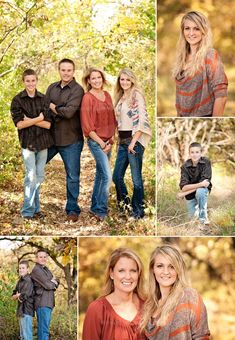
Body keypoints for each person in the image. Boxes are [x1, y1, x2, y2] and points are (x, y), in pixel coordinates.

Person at [141, 244, 210, 339]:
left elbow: (202, 336)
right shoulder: (149, 305)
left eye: (171, 266)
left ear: (178, 270)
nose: (166, 272)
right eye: (160, 266)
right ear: (153, 269)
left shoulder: (189, 296)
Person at [10, 69, 53, 219]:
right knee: (30, 175)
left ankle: (36, 209)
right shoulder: (17, 100)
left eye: (33, 80)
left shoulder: (43, 99)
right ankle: (27, 211)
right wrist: (38, 118)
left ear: (36, 81)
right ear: (23, 82)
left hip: (43, 143)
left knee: (39, 176)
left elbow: (48, 125)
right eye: (27, 81)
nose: (30, 83)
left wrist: (29, 120)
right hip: (27, 144)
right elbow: (20, 124)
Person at [45, 58, 84, 222]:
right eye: (63, 70)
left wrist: (54, 107)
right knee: (34, 168)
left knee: (73, 176)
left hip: (71, 139)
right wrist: (56, 110)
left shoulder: (78, 90)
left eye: (69, 70)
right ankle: (31, 207)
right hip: (50, 138)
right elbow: (43, 107)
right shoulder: (51, 87)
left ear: (73, 71)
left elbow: (69, 113)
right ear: (59, 70)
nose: (66, 73)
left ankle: (72, 209)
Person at [112, 68, 152, 219]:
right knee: (117, 177)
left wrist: (133, 142)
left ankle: (138, 211)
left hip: (134, 140)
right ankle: (125, 206)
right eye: (122, 79)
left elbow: (142, 120)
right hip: (122, 141)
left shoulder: (137, 96)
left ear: (132, 80)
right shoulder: (120, 97)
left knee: (136, 179)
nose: (125, 82)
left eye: (128, 79)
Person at [82, 248, 146, 340]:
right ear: (111, 273)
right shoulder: (97, 310)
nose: (128, 276)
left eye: (133, 271)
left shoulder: (148, 306)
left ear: (138, 274)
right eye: (121, 271)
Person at [173, 11, 228, 117]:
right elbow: (180, 99)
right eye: (187, 28)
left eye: (196, 28)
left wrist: (214, 121)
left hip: (205, 117)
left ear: (204, 31)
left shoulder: (210, 55)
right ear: (183, 31)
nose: (191, 33)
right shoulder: (181, 58)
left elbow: (221, 96)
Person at [81, 67, 116, 221]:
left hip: (109, 141)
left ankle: (94, 206)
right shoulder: (87, 98)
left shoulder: (107, 95)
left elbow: (113, 119)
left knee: (101, 175)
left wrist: (112, 139)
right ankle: (100, 211)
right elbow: (87, 127)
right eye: (93, 78)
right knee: (108, 176)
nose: (96, 81)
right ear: (88, 81)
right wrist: (102, 143)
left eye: (98, 78)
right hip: (96, 142)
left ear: (102, 79)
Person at [177, 142, 212, 227]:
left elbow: (205, 185)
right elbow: (184, 188)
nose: (195, 155)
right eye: (192, 152)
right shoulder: (184, 166)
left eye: (197, 152)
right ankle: (199, 212)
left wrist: (185, 192)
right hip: (190, 195)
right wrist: (200, 184)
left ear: (201, 153)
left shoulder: (206, 162)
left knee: (200, 191)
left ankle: (203, 219)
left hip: (202, 192)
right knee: (192, 220)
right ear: (189, 153)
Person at [31, 249, 59, 340]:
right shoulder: (36, 270)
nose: (43, 259)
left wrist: (53, 281)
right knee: (44, 330)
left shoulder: (46, 269)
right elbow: (48, 285)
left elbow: (57, 280)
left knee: (44, 329)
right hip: (42, 303)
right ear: (36, 258)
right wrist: (52, 282)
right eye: (40, 257)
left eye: (44, 257)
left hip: (48, 303)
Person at [12, 260, 34, 340]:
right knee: (22, 336)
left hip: (27, 310)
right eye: (20, 268)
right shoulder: (20, 281)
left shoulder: (29, 281)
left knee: (27, 336)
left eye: (23, 268)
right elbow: (13, 295)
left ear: (28, 269)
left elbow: (23, 297)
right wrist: (17, 295)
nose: (21, 270)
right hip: (21, 311)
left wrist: (18, 296)